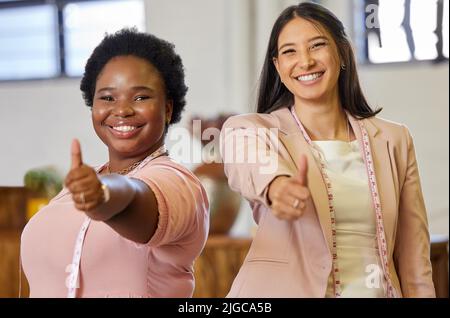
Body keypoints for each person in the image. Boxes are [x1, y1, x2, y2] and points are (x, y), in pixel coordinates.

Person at [220, 2, 435, 298]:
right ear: (277, 67)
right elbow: (248, 163)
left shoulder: (394, 139)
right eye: (289, 52)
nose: (305, 61)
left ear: (342, 53)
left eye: (317, 45)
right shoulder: (251, 130)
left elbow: (414, 258)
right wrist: (277, 187)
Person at [20, 28, 209, 298]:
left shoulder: (178, 183)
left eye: (141, 97)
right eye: (107, 97)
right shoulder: (75, 187)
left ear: (168, 109)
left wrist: (104, 196)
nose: (122, 110)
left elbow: (135, 196)